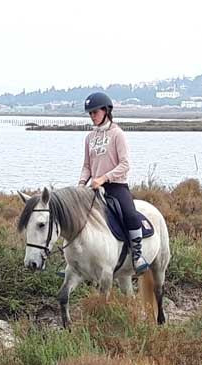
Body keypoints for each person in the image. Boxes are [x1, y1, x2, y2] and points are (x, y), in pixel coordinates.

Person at [79, 91, 149, 274]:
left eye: (95, 112)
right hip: (94, 187)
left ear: (105, 111)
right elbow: (87, 165)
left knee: (130, 214)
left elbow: (125, 164)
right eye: (90, 113)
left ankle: (137, 254)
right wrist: (80, 185)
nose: (92, 116)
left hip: (116, 186)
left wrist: (103, 178)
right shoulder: (89, 138)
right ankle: (75, 261)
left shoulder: (117, 134)